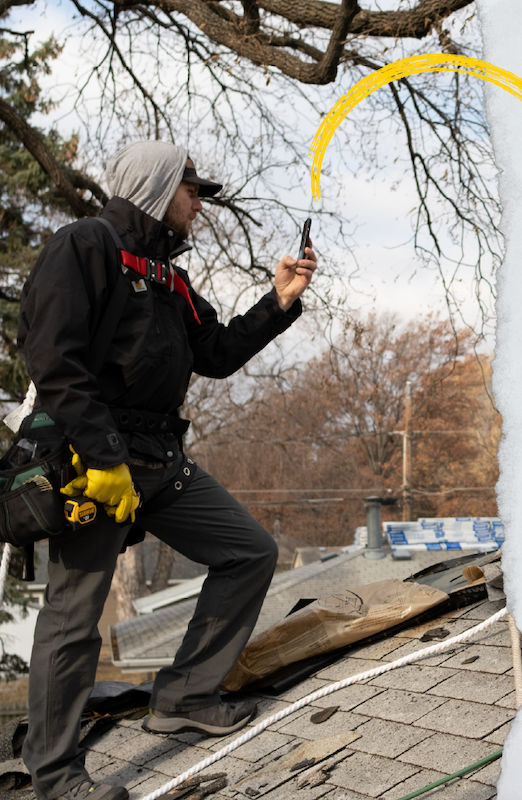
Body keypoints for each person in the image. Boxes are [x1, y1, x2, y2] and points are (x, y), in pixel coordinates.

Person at [16, 141, 317, 800]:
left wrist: (280, 301)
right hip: (91, 466)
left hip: (158, 461)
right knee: (73, 617)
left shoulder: (166, 277)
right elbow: (52, 359)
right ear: (158, 187)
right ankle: (56, 776)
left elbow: (216, 353)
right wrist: (102, 458)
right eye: (192, 192)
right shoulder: (85, 247)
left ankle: (182, 694)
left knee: (248, 552)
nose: (199, 205)